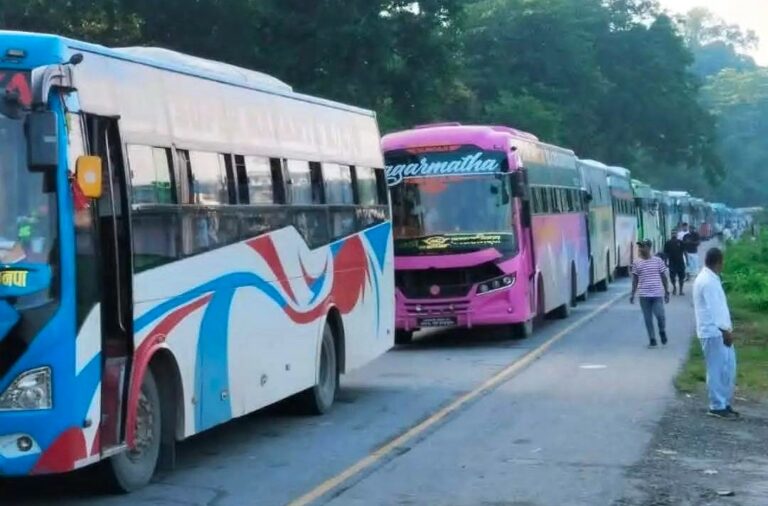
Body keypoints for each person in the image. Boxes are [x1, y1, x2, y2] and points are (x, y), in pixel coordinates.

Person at [693, 248, 738, 419]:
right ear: (719, 262)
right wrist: (725, 330)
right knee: (717, 369)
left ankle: (724, 402)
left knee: (727, 368)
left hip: (717, 332)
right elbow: (715, 308)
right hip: (714, 332)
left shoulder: (710, 278)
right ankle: (717, 405)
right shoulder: (708, 281)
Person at [630, 239, 670, 347]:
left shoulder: (658, 261)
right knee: (648, 319)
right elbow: (635, 280)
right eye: (639, 247)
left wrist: (666, 292)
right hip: (644, 295)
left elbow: (664, 277)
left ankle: (662, 330)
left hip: (657, 295)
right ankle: (652, 339)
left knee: (660, 315)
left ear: (648, 248)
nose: (640, 249)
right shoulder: (636, 263)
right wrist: (632, 294)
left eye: (642, 246)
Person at [663, 231, 687, 295]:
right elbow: (665, 253)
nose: (674, 234)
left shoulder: (681, 242)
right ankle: (674, 287)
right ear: (671, 234)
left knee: (681, 277)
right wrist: (665, 262)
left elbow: (685, 251)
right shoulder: (667, 243)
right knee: (672, 277)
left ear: (676, 234)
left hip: (680, 262)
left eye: (675, 233)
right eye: (672, 233)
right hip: (672, 263)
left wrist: (687, 261)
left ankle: (681, 290)